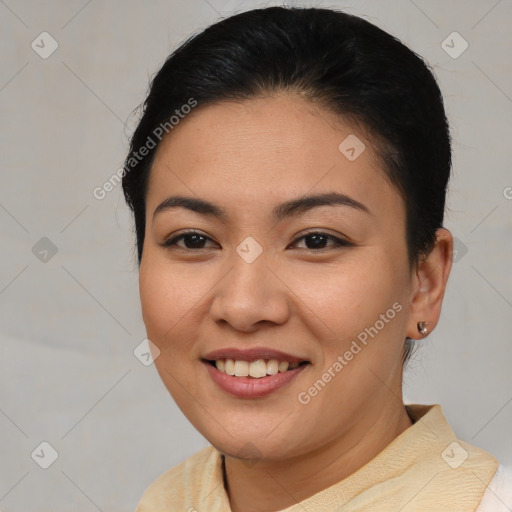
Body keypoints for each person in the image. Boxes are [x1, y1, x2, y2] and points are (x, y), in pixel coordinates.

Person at [121, 6, 512, 511]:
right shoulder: (165, 501)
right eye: (194, 240)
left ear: (425, 281)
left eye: (316, 241)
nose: (243, 306)